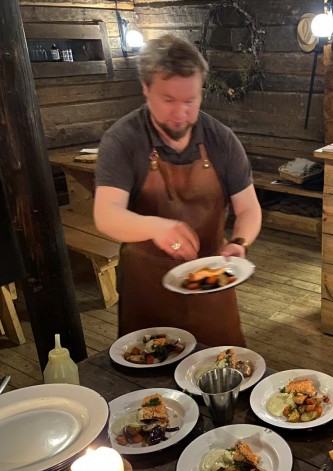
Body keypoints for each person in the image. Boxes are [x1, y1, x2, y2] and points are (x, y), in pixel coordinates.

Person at [93, 34, 262, 346]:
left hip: (212, 286)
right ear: (146, 90)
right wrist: (154, 226)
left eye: (190, 101)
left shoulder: (221, 139)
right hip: (147, 292)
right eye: (168, 100)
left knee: (223, 376)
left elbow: (249, 209)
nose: (181, 113)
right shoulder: (123, 140)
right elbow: (105, 215)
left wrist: (239, 243)